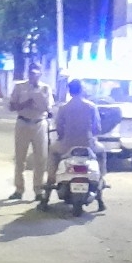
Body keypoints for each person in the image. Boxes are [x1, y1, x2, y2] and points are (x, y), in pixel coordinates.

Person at [44, 79, 107, 211]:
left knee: (52, 152)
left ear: (69, 91)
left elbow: (59, 128)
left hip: (67, 145)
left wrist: (63, 137)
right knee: (102, 152)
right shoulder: (91, 107)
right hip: (88, 145)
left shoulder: (63, 108)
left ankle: (47, 192)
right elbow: (97, 128)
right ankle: (100, 188)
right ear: (82, 90)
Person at [7, 62, 52, 201]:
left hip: (39, 123)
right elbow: (11, 106)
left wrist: (42, 104)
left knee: (41, 158)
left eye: (36, 73)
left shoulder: (45, 88)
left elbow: (50, 109)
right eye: (31, 73)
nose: (33, 75)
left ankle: (38, 190)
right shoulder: (20, 87)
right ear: (28, 73)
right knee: (20, 158)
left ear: (40, 74)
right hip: (23, 122)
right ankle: (19, 189)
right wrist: (24, 104)